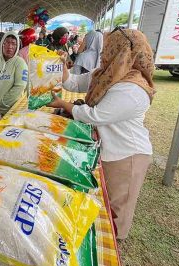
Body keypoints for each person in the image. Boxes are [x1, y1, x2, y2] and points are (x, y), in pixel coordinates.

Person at [47, 29, 155, 240]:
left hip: (127, 155)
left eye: (110, 49)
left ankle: (115, 241)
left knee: (118, 208)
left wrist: (63, 104)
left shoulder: (133, 88)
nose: (104, 53)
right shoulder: (108, 73)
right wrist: (62, 66)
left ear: (123, 52)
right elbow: (74, 83)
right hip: (108, 148)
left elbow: (95, 116)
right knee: (103, 202)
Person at [0, 31, 28, 122]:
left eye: (13, 43)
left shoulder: (20, 63)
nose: (10, 47)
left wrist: (3, 103)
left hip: (12, 111)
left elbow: (20, 86)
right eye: (7, 43)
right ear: (2, 44)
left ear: (17, 46)